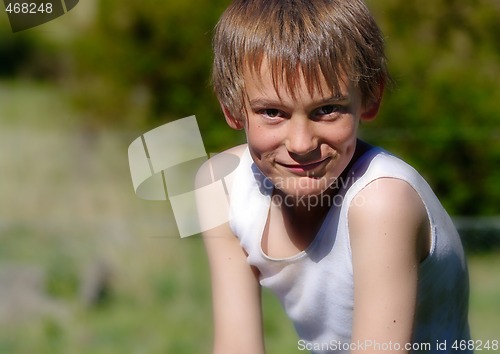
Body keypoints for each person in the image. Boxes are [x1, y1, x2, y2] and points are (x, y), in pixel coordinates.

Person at [196, 0, 471, 353]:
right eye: (272, 112)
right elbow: (236, 347)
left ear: (370, 98)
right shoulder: (220, 186)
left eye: (327, 110)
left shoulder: (382, 203)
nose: (301, 144)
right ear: (233, 110)